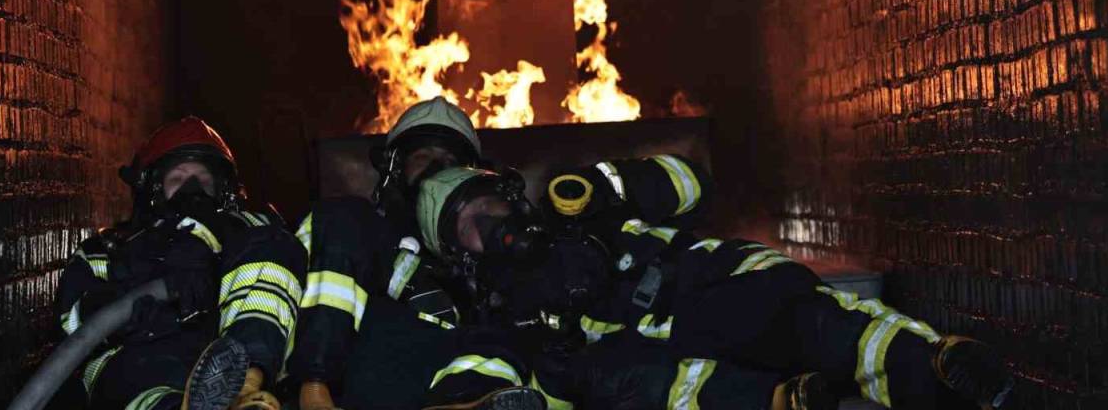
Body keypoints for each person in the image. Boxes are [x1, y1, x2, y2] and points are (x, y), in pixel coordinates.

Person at [414, 157, 1016, 409]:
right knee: (646, 382)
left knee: (800, 314)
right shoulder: (499, 314)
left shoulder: (583, 209)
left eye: (488, 203)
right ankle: (783, 401)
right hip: (657, 353)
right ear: (457, 256)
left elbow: (691, 182)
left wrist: (609, 183)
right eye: (468, 227)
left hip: (714, 285)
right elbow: (485, 373)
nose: (489, 225)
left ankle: (934, 369)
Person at [290, 97, 545, 410]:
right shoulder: (354, 225)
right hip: (351, 373)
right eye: (423, 156)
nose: (436, 169)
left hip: (437, 384)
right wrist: (315, 383)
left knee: (501, 334)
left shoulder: (485, 257)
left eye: (451, 161)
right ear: (394, 166)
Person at [55, 117, 305, 410]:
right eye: (178, 178)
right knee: (137, 376)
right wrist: (131, 306)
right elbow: (70, 323)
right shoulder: (108, 249)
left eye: (204, 178)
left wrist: (211, 257)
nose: (192, 188)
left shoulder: (252, 230)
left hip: (229, 352)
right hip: (137, 358)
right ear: (152, 186)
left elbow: (280, 264)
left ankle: (246, 388)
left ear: (223, 188)